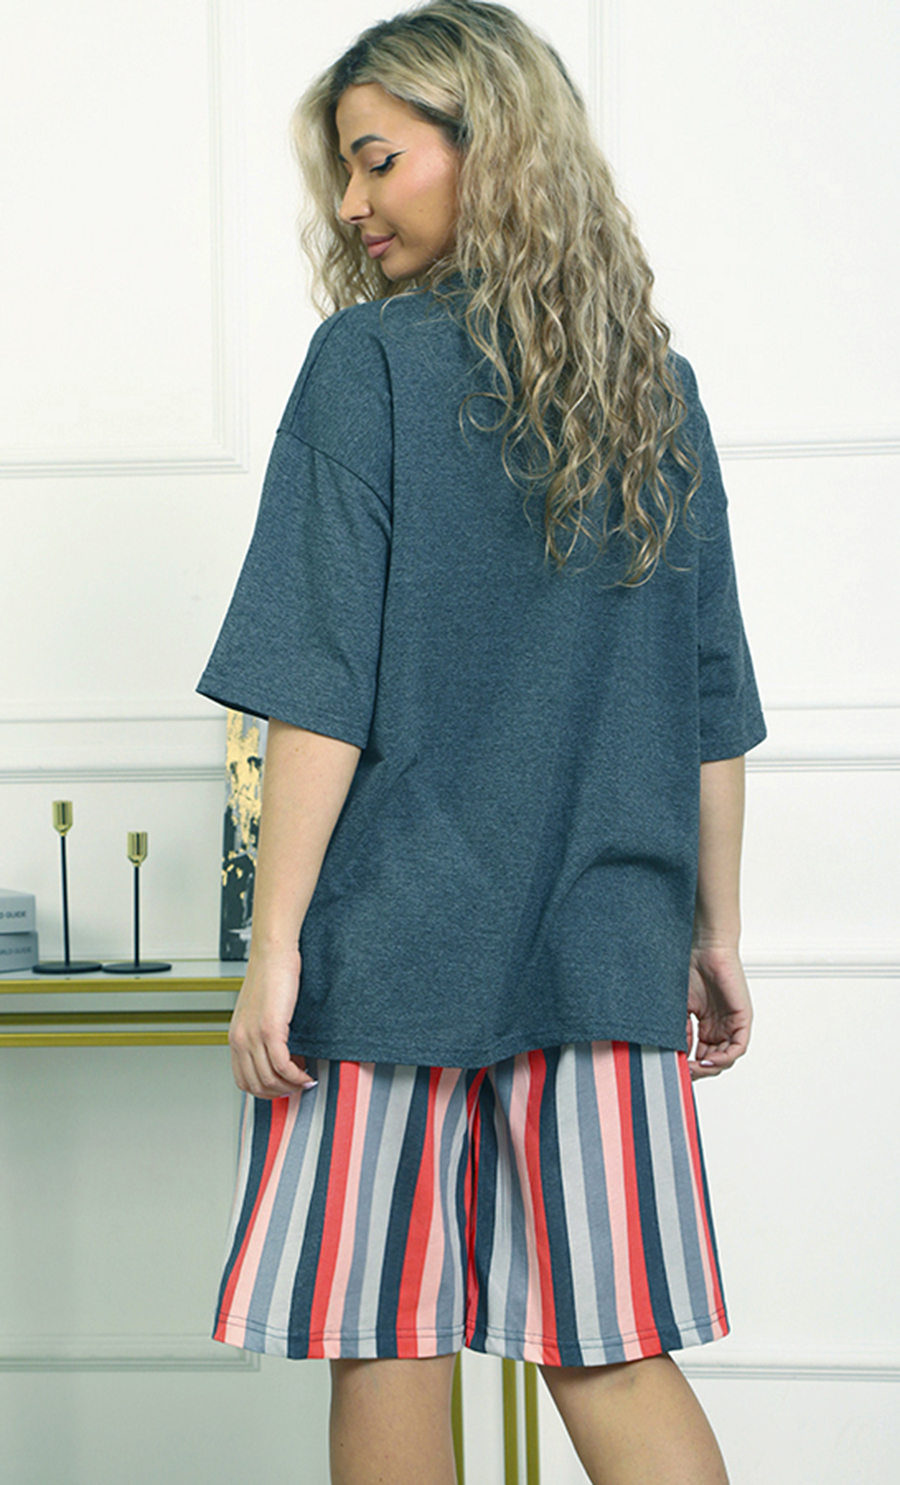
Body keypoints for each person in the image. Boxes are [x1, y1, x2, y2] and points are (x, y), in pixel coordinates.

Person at [197, 3, 766, 1481]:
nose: (352, 202)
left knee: (391, 1335)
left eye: (378, 159)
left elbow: (318, 682)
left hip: (393, 948)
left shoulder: (368, 365)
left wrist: (276, 945)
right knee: (611, 1345)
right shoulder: (657, 390)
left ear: (489, 145)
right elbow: (711, 699)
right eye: (344, 169)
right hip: (609, 942)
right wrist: (714, 932)